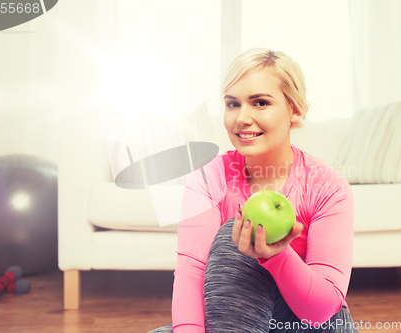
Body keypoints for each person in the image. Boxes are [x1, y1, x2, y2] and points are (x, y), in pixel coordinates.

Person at [149, 48, 358, 333]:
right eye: (233, 104)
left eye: (260, 103)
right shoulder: (208, 177)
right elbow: (192, 274)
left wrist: (275, 256)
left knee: (234, 234)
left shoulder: (328, 186)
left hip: (311, 324)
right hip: (236, 321)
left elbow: (321, 311)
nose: (241, 118)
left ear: (294, 111)